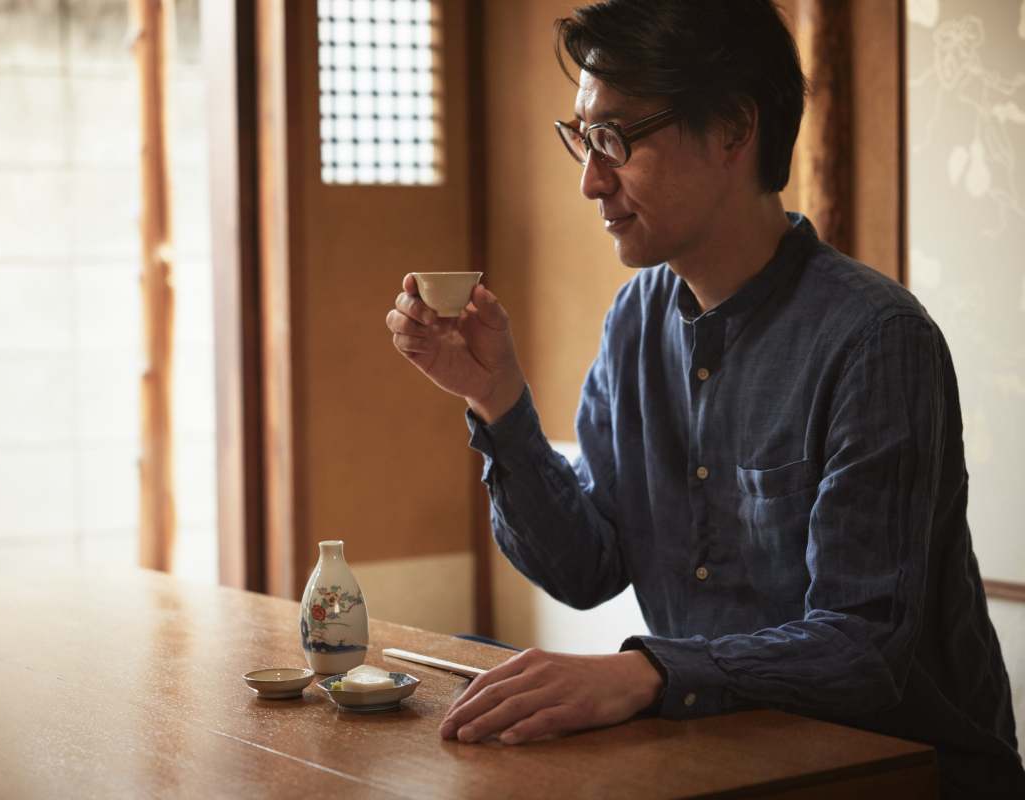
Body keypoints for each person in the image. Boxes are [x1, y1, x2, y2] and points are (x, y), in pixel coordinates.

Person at [385, 1, 1024, 795]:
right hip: (724, 760)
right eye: (582, 138)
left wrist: (647, 673)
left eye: (616, 138)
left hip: (900, 773)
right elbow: (587, 567)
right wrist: (495, 398)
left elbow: (862, 648)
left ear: (731, 129)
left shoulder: (876, 340)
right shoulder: (636, 320)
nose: (590, 179)